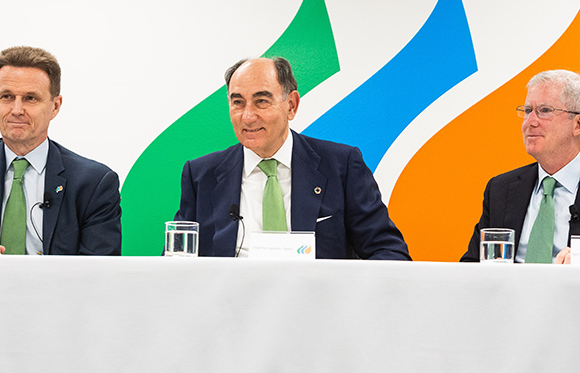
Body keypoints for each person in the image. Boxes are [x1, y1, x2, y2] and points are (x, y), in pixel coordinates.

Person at [174, 57, 410, 259]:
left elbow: (388, 251)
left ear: (291, 105)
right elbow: (176, 259)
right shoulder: (201, 175)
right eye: (238, 102)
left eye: (261, 101)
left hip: (317, 306)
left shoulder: (341, 165)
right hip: (230, 307)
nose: (247, 116)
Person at [0, 46, 121, 255]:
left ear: (55, 106)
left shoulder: (94, 183)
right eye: (7, 97)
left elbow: (100, 273)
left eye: (30, 98)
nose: (17, 110)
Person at [462, 69, 580, 264]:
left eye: (544, 111)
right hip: (510, 294)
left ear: (578, 124)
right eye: (528, 110)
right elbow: (471, 265)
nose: (530, 122)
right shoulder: (500, 189)